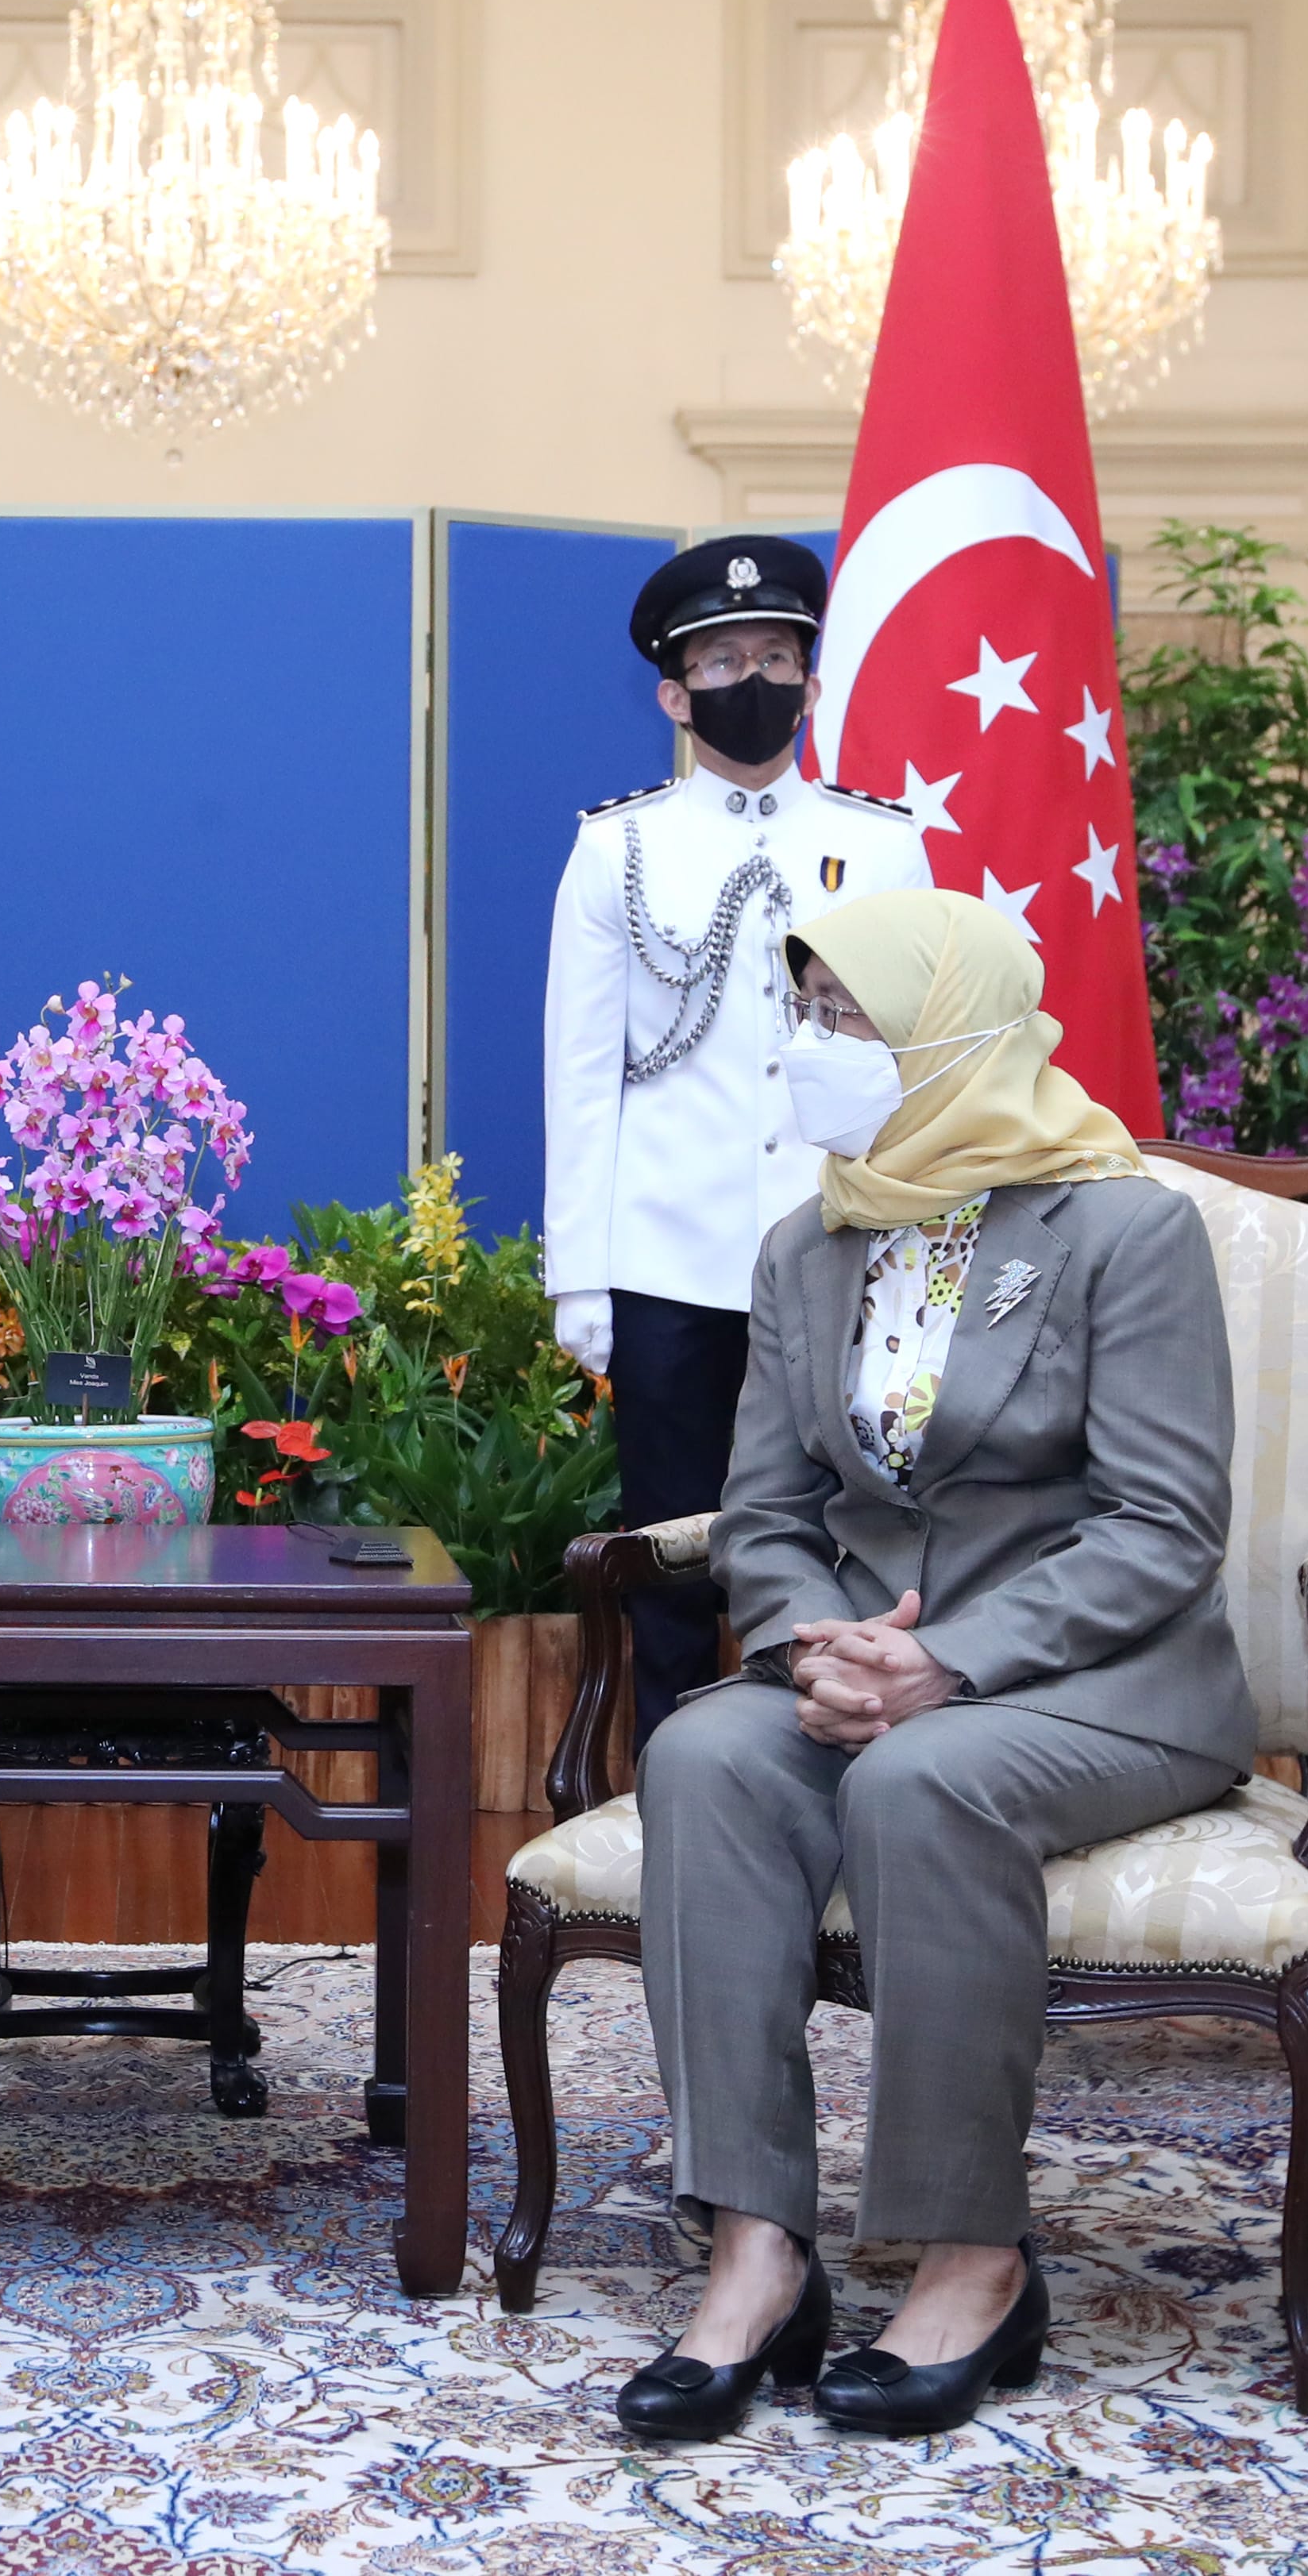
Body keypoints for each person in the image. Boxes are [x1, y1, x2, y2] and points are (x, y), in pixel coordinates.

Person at [612, 886, 1249, 2445]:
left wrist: (941, 1665)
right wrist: (811, 1643)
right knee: (699, 1754)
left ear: (947, 1032)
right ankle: (755, 2248)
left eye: (848, 1017)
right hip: (860, 1667)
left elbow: (1163, 1524)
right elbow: (760, 1512)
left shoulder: (1121, 1226)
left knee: (917, 1782)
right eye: (808, 1013)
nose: (815, 1048)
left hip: (1102, 1679)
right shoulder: (807, 1241)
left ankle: (972, 2253)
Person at [544, 534, 933, 1743]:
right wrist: (580, 1272)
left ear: (811, 682)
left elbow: (918, 1051)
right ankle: (675, 1779)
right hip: (670, 1255)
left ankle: (834, 1759)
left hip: (845, 1243)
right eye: (719, 661)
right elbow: (578, 1071)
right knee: (672, 1540)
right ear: (673, 693)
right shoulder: (620, 844)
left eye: (773, 656)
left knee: (845, 1530)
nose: (748, 680)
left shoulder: (882, 841)